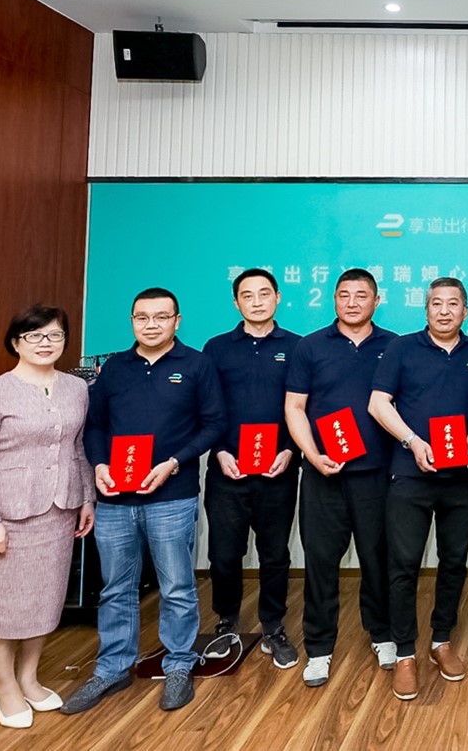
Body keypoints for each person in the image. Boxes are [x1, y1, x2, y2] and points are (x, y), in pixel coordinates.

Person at [63, 288, 226, 714]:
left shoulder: (197, 365)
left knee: (177, 586)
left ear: (177, 320)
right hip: (115, 498)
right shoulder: (116, 368)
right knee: (116, 587)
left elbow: (214, 424)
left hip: (172, 495)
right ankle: (113, 668)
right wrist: (99, 464)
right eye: (142, 317)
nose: (151, 325)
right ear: (132, 321)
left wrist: (174, 462)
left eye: (161, 317)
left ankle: (179, 664)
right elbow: (95, 426)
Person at [0, 305, 95, 729]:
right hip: (9, 516)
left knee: (44, 600)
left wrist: (86, 498)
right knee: (3, 605)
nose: (45, 343)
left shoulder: (76, 388)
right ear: (16, 342)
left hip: (59, 511)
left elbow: (77, 448)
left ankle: (29, 679)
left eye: (54, 335)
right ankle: (5, 687)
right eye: (34, 336)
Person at [368, 277, 468, 700]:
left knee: (454, 562)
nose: (444, 311)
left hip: (461, 480)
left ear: (465, 311)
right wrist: (412, 441)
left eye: (453, 304)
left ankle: (441, 641)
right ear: (426, 309)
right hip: (410, 474)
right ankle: (405, 653)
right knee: (403, 564)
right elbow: (378, 403)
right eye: (436, 303)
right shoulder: (401, 348)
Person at [285, 268, 396, 688]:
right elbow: (295, 407)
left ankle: (382, 634)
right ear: (333, 299)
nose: (352, 302)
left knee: (378, 560)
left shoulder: (394, 346)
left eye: (361, 295)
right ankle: (318, 648)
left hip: (378, 474)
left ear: (376, 301)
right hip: (323, 474)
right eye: (344, 294)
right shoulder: (310, 346)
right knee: (320, 563)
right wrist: (312, 455)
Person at [201, 269, 303, 670]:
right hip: (227, 469)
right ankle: (226, 621)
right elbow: (206, 407)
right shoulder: (216, 348)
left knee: (275, 554)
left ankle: (273, 626)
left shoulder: (297, 347)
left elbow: (304, 407)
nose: (257, 301)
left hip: (278, 469)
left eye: (264, 294)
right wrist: (219, 451)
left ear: (278, 298)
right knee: (224, 554)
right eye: (248, 295)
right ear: (236, 302)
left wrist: (291, 450)